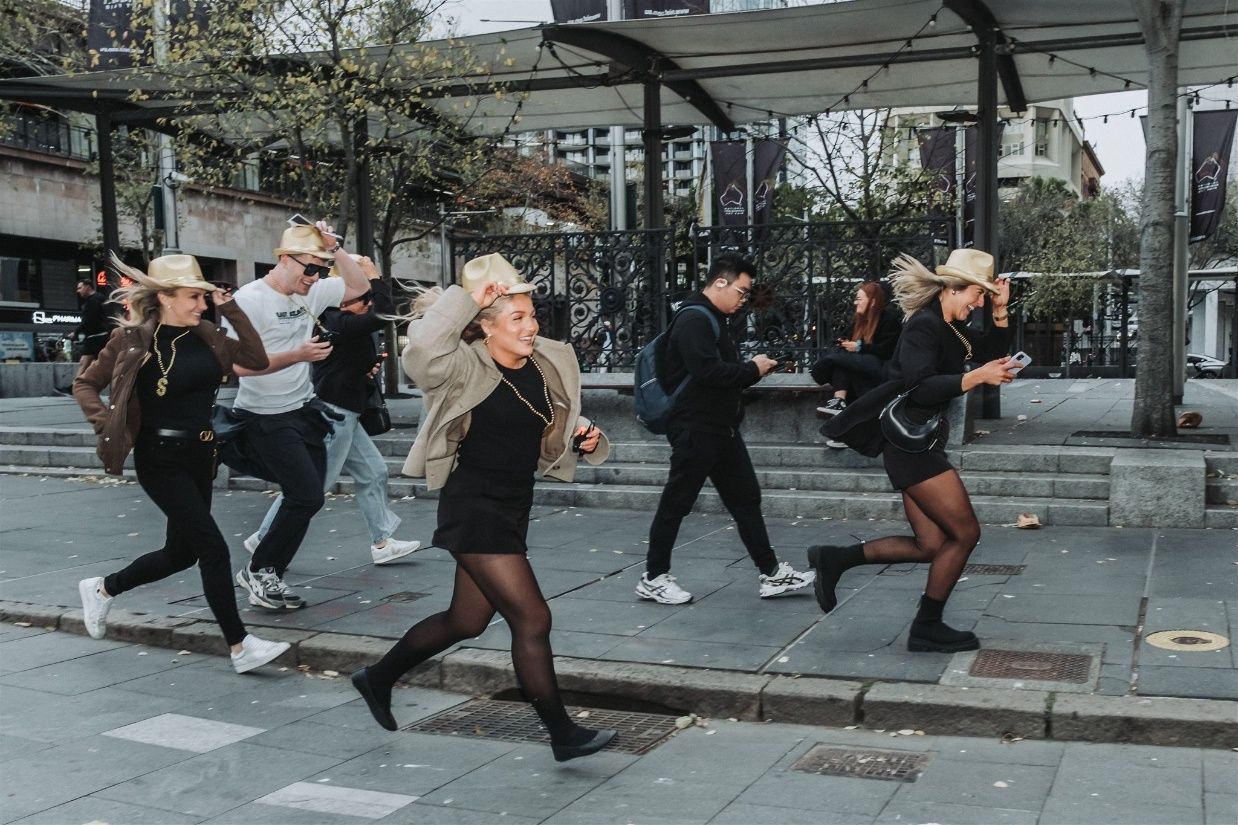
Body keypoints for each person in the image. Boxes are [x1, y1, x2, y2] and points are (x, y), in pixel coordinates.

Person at [350, 253, 615, 762]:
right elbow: (422, 349)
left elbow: (549, 429)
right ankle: (562, 733)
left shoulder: (546, 362)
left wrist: (581, 438)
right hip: (473, 506)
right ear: (485, 325)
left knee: (466, 621)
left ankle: (377, 677)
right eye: (517, 317)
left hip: (514, 504)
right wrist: (470, 297)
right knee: (532, 619)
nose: (531, 325)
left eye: (533, 314)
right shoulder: (460, 367)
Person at [72, 254, 290, 674]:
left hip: (200, 455)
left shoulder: (208, 334)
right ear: (166, 297)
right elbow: (85, 384)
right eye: (194, 297)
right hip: (159, 458)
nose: (201, 305)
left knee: (180, 553)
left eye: (204, 298)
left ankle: (102, 589)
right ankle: (240, 647)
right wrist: (107, 422)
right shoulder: (132, 340)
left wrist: (230, 309)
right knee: (211, 547)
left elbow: (256, 360)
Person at [813, 248, 1017, 653]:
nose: (978, 303)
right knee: (965, 533)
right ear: (955, 290)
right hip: (909, 447)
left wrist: (999, 310)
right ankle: (927, 626)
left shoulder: (950, 327)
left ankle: (835, 559)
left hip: (917, 442)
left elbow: (990, 349)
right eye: (977, 296)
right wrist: (974, 377)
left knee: (932, 545)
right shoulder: (923, 327)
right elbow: (919, 385)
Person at [637, 254, 816, 606]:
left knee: (746, 499)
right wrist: (753, 369)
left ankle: (772, 574)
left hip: (719, 429)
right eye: (742, 291)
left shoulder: (712, 319)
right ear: (721, 282)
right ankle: (654, 577)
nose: (743, 299)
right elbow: (708, 373)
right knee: (677, 503)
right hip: (696, 428)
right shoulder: (693, 319)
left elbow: (714, 374)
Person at [224, 221, 372, 611]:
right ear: (285, 260)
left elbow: (359, 288)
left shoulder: (313, 289)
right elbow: (238, 367)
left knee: (309, 498)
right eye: (310, 268)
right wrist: (297, 355)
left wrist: (335, 249)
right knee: (305, 494)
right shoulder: (249, 300)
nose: (316, 277)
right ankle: (260, 570)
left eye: (322, 271)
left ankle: (265, 569)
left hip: (304, 410)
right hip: (264, 417)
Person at [244, 255, 421, 566]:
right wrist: (374, 278)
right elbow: (384, 314)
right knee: (311, 484)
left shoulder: (344, 323)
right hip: (333, 412)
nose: (365, 304)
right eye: (361, 299)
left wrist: (366, 373)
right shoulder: (334, 321)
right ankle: (264, 536)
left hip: (347, 411)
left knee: (374, 471)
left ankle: (382, 541)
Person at [813, 281, 901, 418]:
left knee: (842, 358)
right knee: (842, 362)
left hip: (882, 368)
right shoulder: (859, 321)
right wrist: (844, 344)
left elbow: (887, 350)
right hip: (860, 367)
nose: (855, 303)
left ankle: (825, 368)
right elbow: (847, 341)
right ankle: (839, 402)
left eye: (859, 299)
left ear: (872, 301)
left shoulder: (889, 319)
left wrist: (860, 347)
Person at [71, 276, 118, 370]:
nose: (78, 291)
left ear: (88, 287)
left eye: (80, 288)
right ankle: (78, 384)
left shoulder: (93, 300)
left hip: (95, 337)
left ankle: (76, 384)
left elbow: (89, 319)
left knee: (85, 362)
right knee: (94, 363)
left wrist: (76, 332)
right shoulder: (99, 298)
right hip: (99, 336)